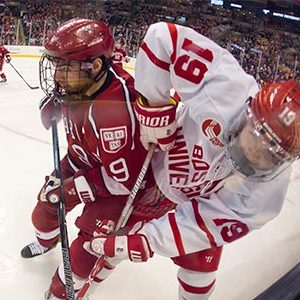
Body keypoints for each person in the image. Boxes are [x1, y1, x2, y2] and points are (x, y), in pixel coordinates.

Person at [84, 22, 300, 300]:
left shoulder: (266, 199)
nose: (256, 155)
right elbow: (163, 38)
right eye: (257, 138)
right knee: (115, 243)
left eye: (273, 154)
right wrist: (153, 106)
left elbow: (204, 224)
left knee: (199, 274)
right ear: (248, 113)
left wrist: (150, 240)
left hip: (201, 201)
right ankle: (88, 284)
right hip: (156, 175)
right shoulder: (227, 89)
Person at [21, 18, 175, 299]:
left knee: (85, 254)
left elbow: (124, 180)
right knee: (44, 209)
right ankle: (47, 242)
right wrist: (57, 104)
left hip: (123, 188)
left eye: (65, 68)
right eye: (55, 65)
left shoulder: (115, 110)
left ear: (94, 67)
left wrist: (71, 189)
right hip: (84, 161)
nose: (56, 76)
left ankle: (70, 291)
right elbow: (74, 104)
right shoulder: (82, 84)